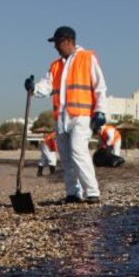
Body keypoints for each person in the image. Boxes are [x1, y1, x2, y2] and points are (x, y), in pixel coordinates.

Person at [27, 26, 107, 203]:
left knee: (79, 152)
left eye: (57, 43)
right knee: (65, 157)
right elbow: (46, 86)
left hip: (81, 116)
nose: (55, 47)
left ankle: (92, 192)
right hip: (62, 119)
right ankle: (73, 193)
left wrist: (100, 110)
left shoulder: (87, 58)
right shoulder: (55, 66)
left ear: (68, 41)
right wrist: (34, 88)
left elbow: (99, 87)